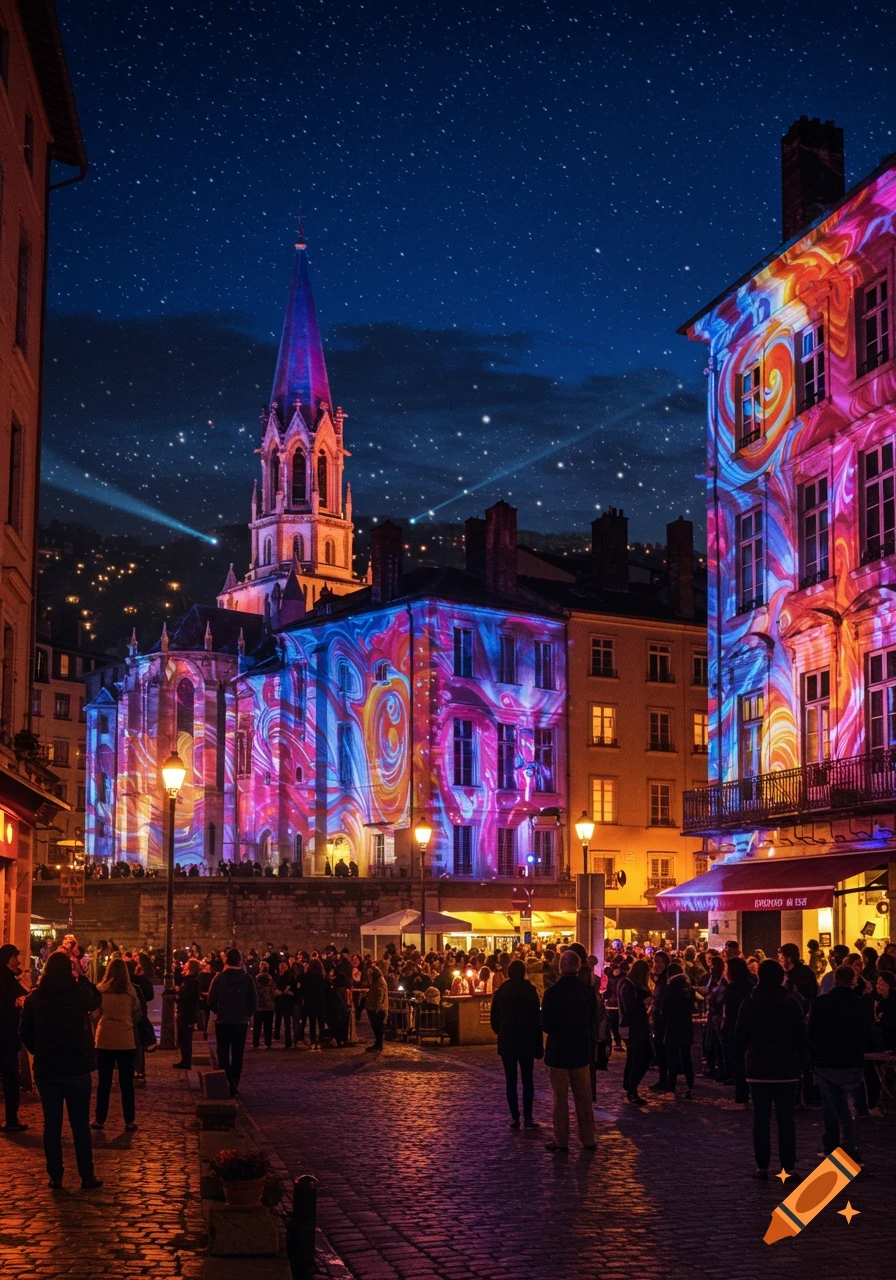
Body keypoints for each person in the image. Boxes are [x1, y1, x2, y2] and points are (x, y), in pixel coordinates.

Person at [19, 951, 103, 1190]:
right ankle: (87, 1175)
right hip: (76, 1067)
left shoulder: (35, 998)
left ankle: (55, 1175)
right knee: (80, 1125)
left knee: (52, 1125)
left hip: (47, 1070)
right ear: (69, 970)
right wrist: (83, 976)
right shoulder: (77, 994)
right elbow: (96, 999)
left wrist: (40, 1049)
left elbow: (25, 1032)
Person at [735, 959, 808, 1178]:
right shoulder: (791, 1003)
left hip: (758, 1068)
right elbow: (801, 1038)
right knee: (786, 1120)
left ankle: (762, 1165)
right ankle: (788, 1166)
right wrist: (802, 1063)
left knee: (761, 1119)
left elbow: (740, 1037)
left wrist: (742, 1064)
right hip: (786, 1069)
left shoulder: (749, 1002)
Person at [808, 964, 866, 1165]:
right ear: (853, 981)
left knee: (830, 1109)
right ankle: (851, 1149)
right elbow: (866, 1031)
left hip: (825, 1062)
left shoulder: (821, 1003)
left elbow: (812, 1030)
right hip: (851, 1062)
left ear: (834, 980)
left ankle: (831, 1147)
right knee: (850, 1109)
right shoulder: (860, 1004)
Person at [540, 949, 596, 1152]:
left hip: (558, 1052)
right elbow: (592, 1018)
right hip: (580, 1050)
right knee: (584, 1097)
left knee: (560, 1100)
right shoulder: (587, 992)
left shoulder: (552, 993)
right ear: (578, 966)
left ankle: (561, 1140)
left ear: (561, 967)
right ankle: (588, 1138)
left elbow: (546, 1025)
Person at [489, 959, 543, 1129]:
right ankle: (528, 1117)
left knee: (510, 1081)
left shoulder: (502, 991)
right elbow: (536, 1018)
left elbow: (494, 1018)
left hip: (507, 1041)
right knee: (528, 1080)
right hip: (526, 1039)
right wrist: (538, 1041)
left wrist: (501, 1031)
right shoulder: (529, 990)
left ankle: (514, 1117)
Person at [92, 957, 141, 1131]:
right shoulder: (131, 992)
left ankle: (100, 1119)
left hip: (104, 1037)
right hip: (125, 1039)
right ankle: (129, 1120)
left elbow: (96, 1014)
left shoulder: (100, 991)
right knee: (126, 1083)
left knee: (104, 1082)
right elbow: (137, 1014)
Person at [208, 949, 257, 1095]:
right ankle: (235, 1081)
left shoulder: (219, 978)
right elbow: (253, 1002)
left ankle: (226, 1080)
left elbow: (211, 1000)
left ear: (226, 960)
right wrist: (245, 1014)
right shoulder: (247, 979)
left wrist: (219, 1011)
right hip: (240, 1023)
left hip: (223, 1021)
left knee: (222, 1053)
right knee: (237, 1054)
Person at [0, 944, 28, 1133]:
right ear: (9, 958)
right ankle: (11, 1120)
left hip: (6, 1034)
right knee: (10, 1077)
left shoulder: (8, 979)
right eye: (16, 956)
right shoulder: (7, 981)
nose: (18, 960)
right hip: (7, 1035)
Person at [618, 959, 652, 1105]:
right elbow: (629, 1008)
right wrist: (644, 1003)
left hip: (637, 1026)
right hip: (633, 1027)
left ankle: (629, 1086)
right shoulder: (628, 985)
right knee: (643, 1056)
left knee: (633, 1057)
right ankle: (632, 1088)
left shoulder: (628, 984)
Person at [663, 961, 696, 1097]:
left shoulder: (670, 987)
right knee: (686, 1057)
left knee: (672, 1058)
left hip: (673, 1026)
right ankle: (690, 1086)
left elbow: (664, 1010)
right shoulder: (688, 987)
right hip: (686, 1026)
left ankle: (671, 1087)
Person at [174, 959, 201, 1069]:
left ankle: (186, 1062)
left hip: (187, 1014)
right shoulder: (188, 980)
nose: (184, 965)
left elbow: (186, 998)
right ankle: (184, 1060)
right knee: (183, 1038)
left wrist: (178, 991)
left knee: (186, 1038)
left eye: (186, 964)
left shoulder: (192, 982)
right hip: (185, 1013)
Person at [302, 958, 328, 1051]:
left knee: (312, 1022)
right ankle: (321, 1040)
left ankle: (313, 1040)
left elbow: (303, 987)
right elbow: (327, 988)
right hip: (320, 1000)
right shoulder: (323, 977)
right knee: (321, 1022)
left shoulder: (307, 977)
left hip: (310, 1001)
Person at [252, 961, 276, 1049]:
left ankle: (256, 1042)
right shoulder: (270, 979)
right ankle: (268, 1042)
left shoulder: (256, 979)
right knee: (268, 1026)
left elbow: (254, 991)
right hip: (269, 1005)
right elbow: (273, 992)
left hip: (259, 1005)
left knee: (257, 1026)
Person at [273, 962, 296, 1049]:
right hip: (279, 999)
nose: (282, 968)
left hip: (286, 1000)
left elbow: (292, 984)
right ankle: (277, 1034)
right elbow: (274, 985)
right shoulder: (277, 976)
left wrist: (287, 990)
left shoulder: (289, 975)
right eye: (280, 967)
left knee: (287, 1021)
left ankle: (288, 1041)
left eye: (283, 967)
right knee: (278, 1018)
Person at [365, 965, 388, 1052]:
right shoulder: (377, 981)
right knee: (376, 1027)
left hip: (378, 1008)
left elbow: (380, 995)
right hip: (375, 1006)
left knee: (378, 1026)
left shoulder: (379, 982)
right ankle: (378, 1044)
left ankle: (379, 1044)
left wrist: (377, 1007)